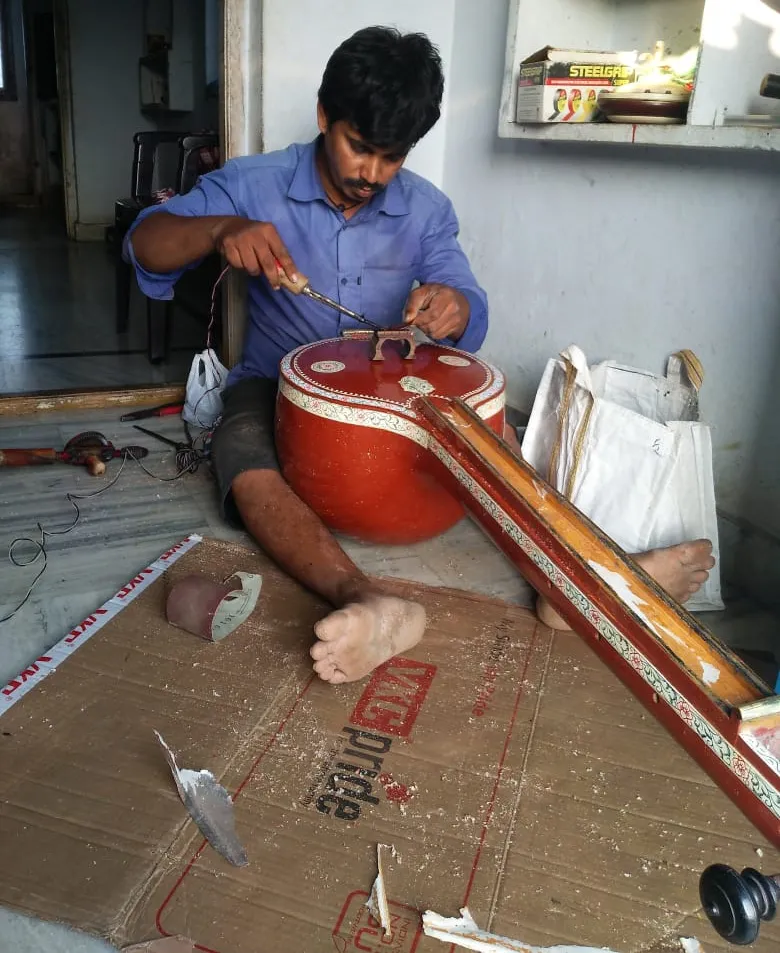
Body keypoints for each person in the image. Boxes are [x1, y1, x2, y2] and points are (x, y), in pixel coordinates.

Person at [128, 26, 487, 685]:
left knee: (497, 437)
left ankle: (581, 584)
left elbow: (466, 302)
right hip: (273, 382)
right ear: (325, 116)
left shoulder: (427, 209)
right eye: (359, 147)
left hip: (390, 389)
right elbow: (145, 245)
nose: (371, 175)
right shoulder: (254, 185)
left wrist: (453, 306)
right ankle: (364, 598)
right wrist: (220, 228)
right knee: (241, 456)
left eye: (392, 157)